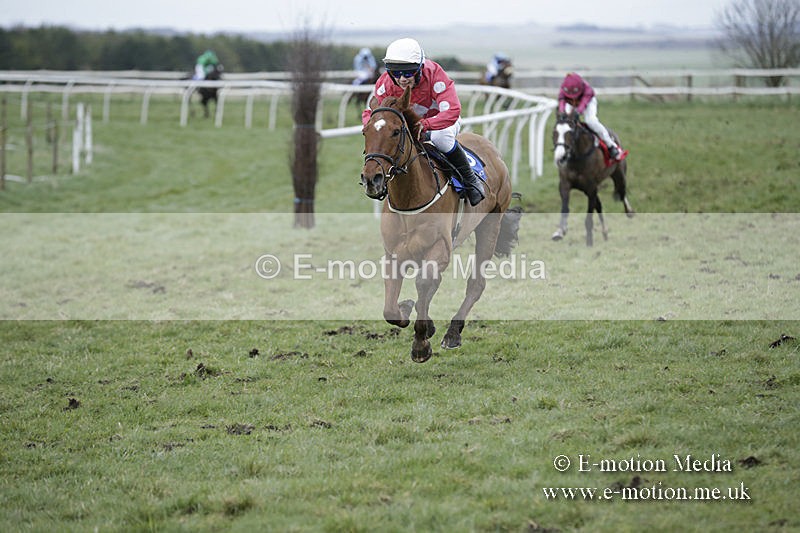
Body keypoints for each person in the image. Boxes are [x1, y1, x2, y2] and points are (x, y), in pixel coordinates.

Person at [362, 37, 484, 206]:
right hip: (405, 126)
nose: (402, 78)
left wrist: (427, 125)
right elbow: (372, 115)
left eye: (408, 72)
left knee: (440, 138)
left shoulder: (435, 75)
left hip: (440, 122)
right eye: (396, 73)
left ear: (420, 67)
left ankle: (470, 180)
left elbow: (452, 110)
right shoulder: (385, 83)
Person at [558, 72, 628, 161]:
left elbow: (584, 103)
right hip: (572, 104)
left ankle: (611, 146)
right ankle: (564, 150)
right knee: (564, 124)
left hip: (587, 102)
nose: (573, 97)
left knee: (591, 121)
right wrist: (562, 111)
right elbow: (562, 100)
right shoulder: (563, 89)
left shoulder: (588, 89)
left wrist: (578, 111)